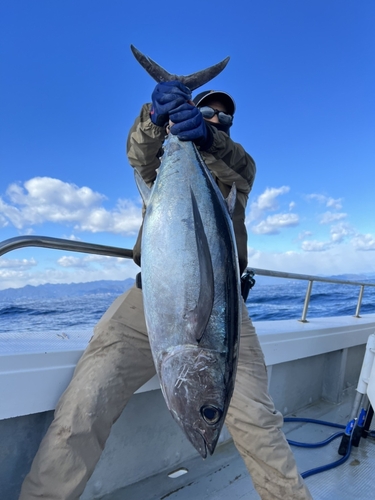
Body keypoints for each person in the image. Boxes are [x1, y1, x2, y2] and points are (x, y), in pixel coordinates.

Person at [19, 82, 313, 500]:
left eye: (223, 117)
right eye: (205, 111)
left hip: (222, 315)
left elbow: (242, 165)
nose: (215, 119)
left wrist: (207, 137)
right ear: (189, 110)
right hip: (146, 305)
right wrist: (154, 120)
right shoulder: (162, 164)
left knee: (258, 421)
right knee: (82, 409)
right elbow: (138, 154)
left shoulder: (236, 171)